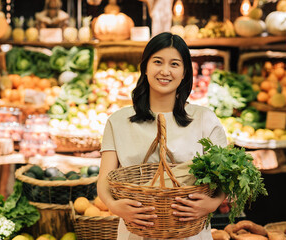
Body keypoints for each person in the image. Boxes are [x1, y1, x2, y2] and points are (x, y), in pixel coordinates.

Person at [97, 32, 227, 240]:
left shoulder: (205, 120)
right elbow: (104, 179)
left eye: (174, 64)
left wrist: (212, 203)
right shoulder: (118, 121)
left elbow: (225, 177)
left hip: (190, 233)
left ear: (185, 72)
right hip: (136, 232)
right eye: (158, 62)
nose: (165, 71)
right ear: (145, 67)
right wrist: (113, 206)